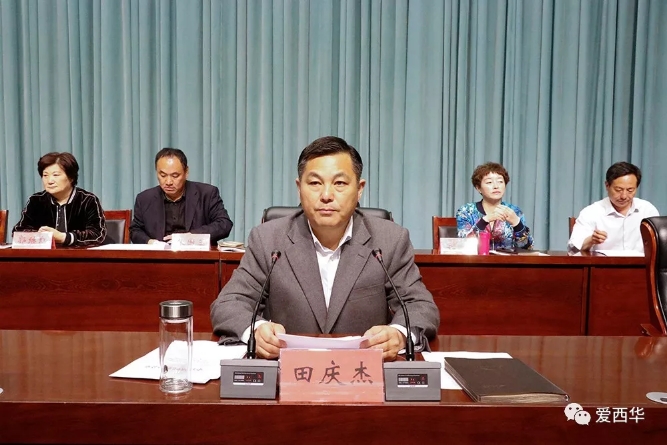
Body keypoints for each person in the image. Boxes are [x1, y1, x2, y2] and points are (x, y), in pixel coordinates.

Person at [210, 136, 439, 360]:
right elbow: (229, 304)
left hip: (363, 372)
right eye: (315, 183)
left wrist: (399, 334)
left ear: (360, 189)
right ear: (299, 188)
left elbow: (420, 306)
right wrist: (256, 331)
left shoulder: (389, 240)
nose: (326, 196)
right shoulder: (268, 239)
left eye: (340, 183)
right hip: (290, 372)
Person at [129, 148, 233, 245]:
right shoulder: (144, 199)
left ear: (186, 172)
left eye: (175, 176)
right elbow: (135, 230)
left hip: (196, 254)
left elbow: (224, 224)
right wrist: (150, 242)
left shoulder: (207, 194)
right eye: (163, 175)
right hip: (159, 255)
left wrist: (192, 237)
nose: (168, 182)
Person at [13, 152, 106, 246]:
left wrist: (63, 237)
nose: (50, 181)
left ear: (71, 177)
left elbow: (97, 235)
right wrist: (41, 236)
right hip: (44, 255)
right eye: (45, 175)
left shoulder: (88, 200)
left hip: (78, 254)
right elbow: (18, 232)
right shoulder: (36, 200)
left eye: (56, 175)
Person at [568, 162, 659, 253]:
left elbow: (660, 244)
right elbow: (573, 249)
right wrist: (591, 240)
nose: (624, 196)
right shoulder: (591, 212)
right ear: (607, 186)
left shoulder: (647, 210)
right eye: (618, 190)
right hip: (604, 262)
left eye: (630, 190)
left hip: (641, 262)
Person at [455, 162, 533, 250]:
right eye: (489, 182)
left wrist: (517, 223)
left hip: (507, 259)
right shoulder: (466, 211)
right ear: (478, 188)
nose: (496, 186)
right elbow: (463, 245)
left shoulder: (514, 211)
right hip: (476, 259)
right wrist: (484, 220)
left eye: (500, 182)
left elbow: (527, 248)